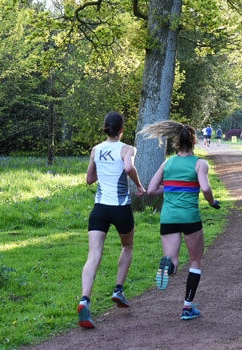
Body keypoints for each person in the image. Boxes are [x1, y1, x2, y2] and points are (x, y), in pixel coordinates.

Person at [138, 120, 221, 321]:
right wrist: (211, 202)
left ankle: (168, 266)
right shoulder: (200, 163)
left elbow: (151, 190)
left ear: (177, 142)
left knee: (173, 261)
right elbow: (206, 188)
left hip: (169, 218)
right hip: (190, 217)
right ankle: (187, 306)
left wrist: (170, 189)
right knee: (195, 261)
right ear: (194, 141)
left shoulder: (168, 162)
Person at [78, 111, 146, 329]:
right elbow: (127, 167)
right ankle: (118, 289)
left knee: (93, 255)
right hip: (120, 208)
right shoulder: (127, 149)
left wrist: (104, 170)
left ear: (105, 128)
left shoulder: (96, 150)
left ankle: (84, 300)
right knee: (127, 246)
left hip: (99, 209)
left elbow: (89, 179)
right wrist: (139, 185)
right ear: (122, 129)